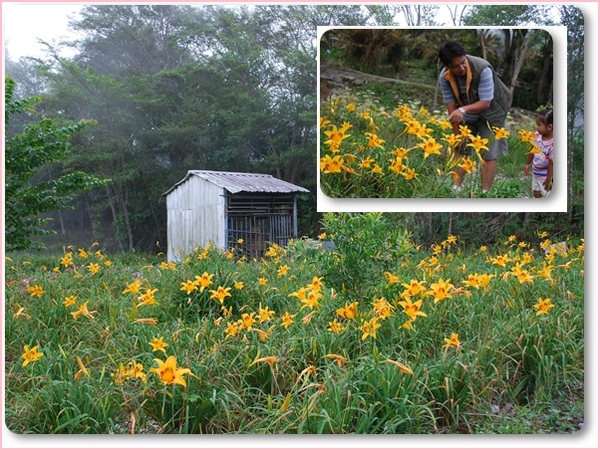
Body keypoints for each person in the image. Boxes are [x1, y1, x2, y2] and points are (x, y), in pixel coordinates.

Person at [438, 41, 512, 194]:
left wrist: (463, 110)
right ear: (447, 66)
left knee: (489, 153)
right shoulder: (444, 77)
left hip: (492, 111)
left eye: (463, 62)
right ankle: (455, 190)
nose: (461, 68)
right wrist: (457, 134)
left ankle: (485, 194)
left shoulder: (483, 68)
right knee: (460, 148)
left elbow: (485, 102)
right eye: (456, 66)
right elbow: (451, 107)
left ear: (465, 57)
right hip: (467, 112)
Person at [524, 108, 553, 198]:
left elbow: (552, 163)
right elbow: (532, 150)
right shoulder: (537, 135)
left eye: (539, 125)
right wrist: (527, 163)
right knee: (536, 192)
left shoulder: (552, 144)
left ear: (549, 127)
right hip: (535, 171)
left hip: (545, 176)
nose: (536, 127)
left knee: (546, 195)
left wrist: (548, 179)